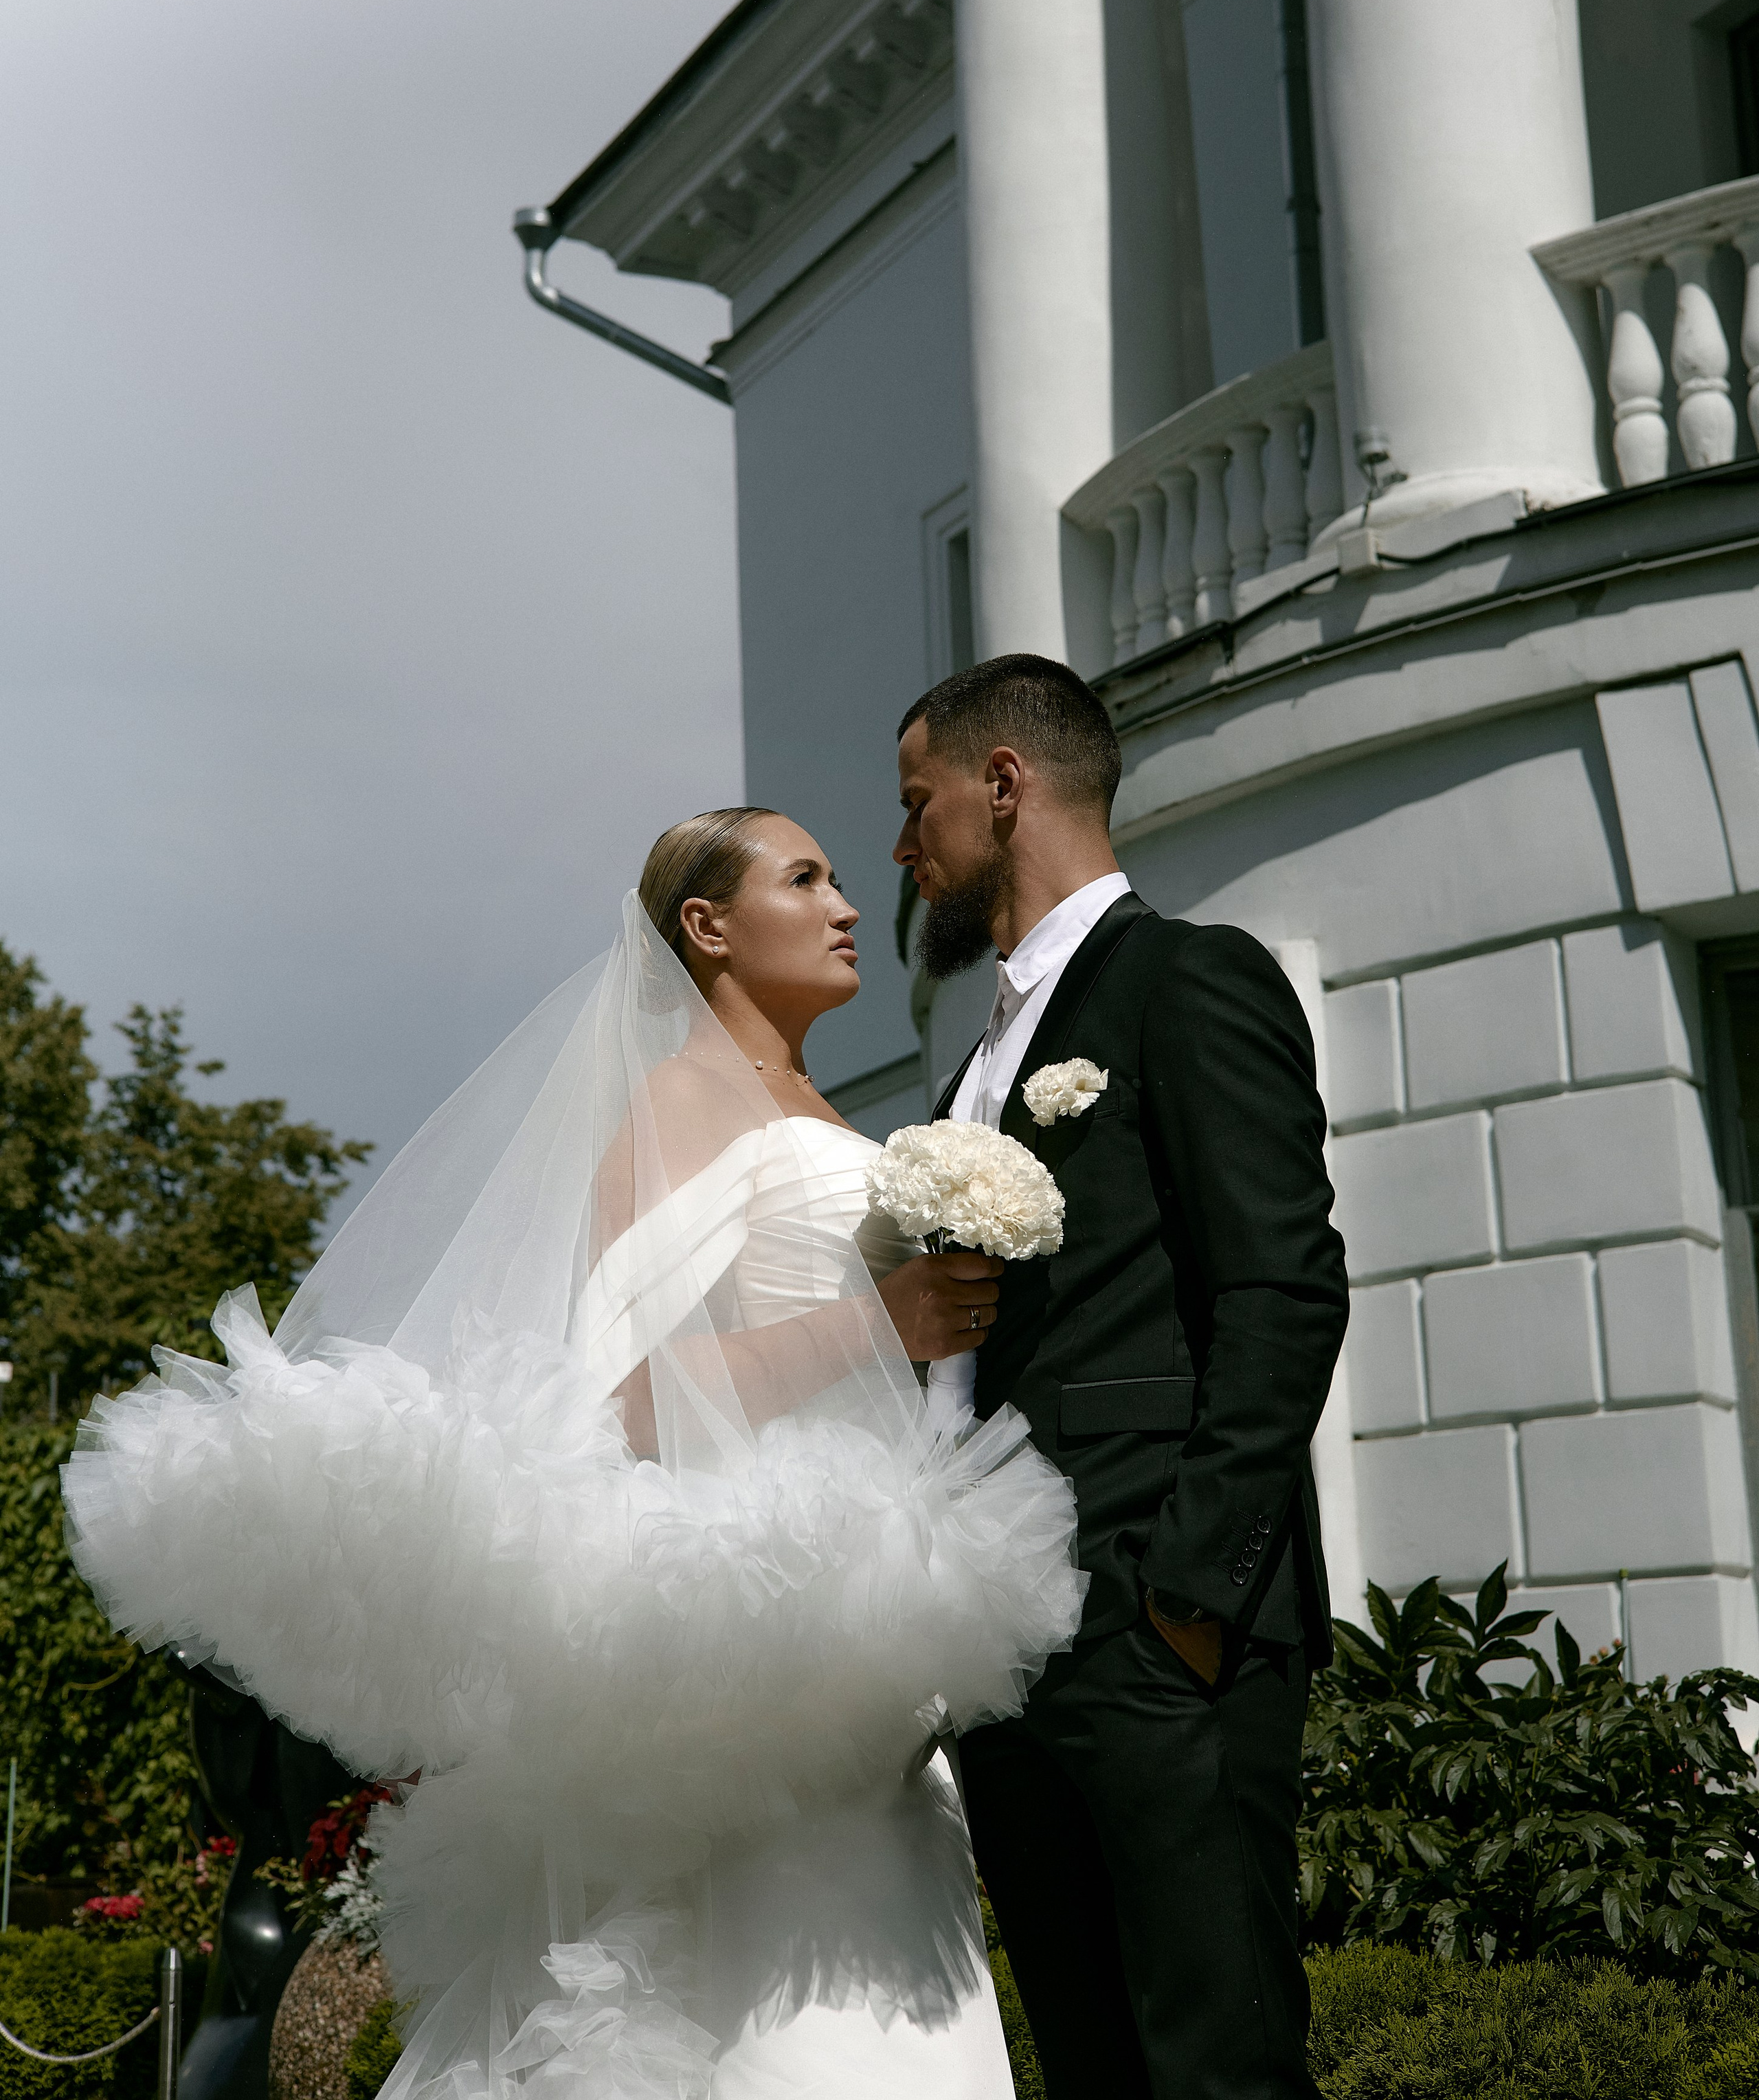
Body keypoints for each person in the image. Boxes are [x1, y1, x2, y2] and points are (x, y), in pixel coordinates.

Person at [64, 807, 1085, 2100]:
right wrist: (873, 1324)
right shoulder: (685, 1101)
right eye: (805, 877)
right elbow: (625, 1393)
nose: (844, 905)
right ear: (707, 929)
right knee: (787, 2001)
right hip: (757, 1639)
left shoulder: (804, 1100)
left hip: (863, 1625)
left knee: (884, 1963)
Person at [890, 653, 1349, 2100]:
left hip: (1154, 1631)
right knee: (1090, 2068)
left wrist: (1185, 1602)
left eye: (919, 805)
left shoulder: (1185, 974)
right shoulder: (973, 1061)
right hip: (1007, 1646)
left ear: (1003, 782)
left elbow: (1281, 1290)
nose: (905, 849)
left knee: (1212, 2064)